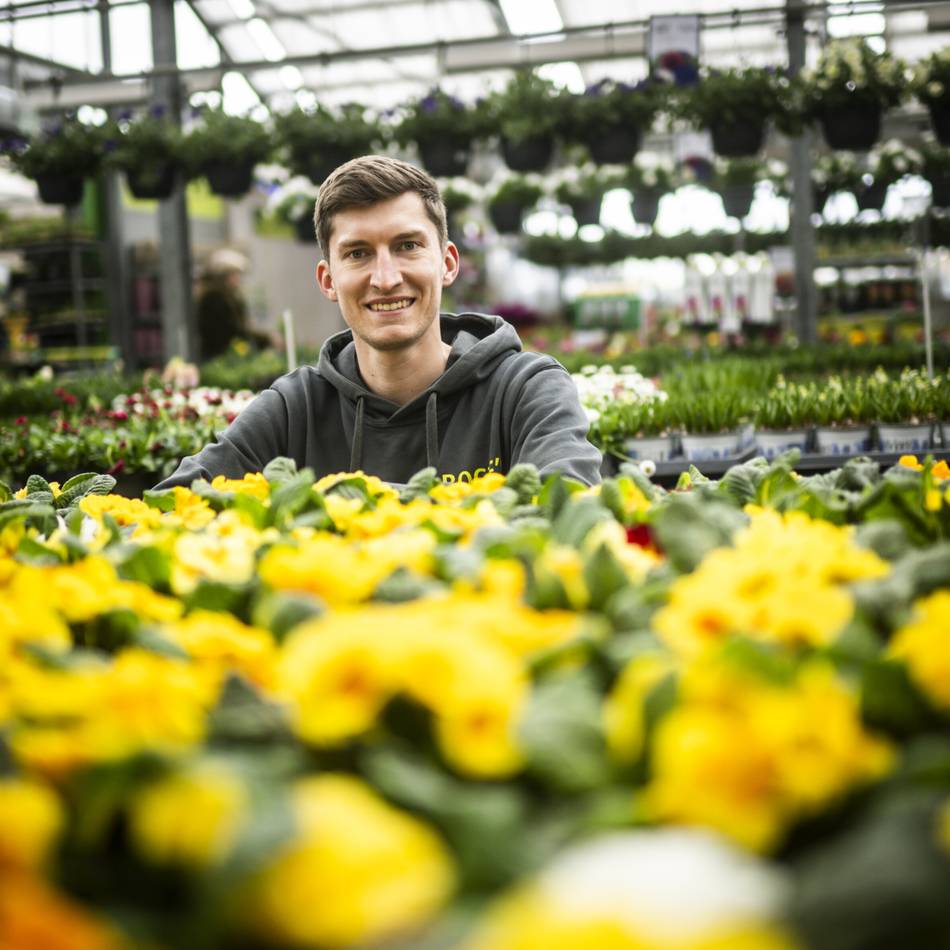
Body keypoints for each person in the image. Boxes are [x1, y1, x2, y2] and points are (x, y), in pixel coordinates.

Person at [156, 156, 601, 490]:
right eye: (357, 253)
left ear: (446, 264)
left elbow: (568, 501)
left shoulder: (524, 389)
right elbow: (174, 504)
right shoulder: (295, 408)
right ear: (328, 279)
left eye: (407, 246)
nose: (386, 279)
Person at [195, 249, 270, 361]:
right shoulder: (215, 299)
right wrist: (266, 340)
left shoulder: (228, 297)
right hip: (219, 358)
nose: (238, 279)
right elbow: (233, 332)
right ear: (224, 277)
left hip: (225, 356)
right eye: (235, 274)